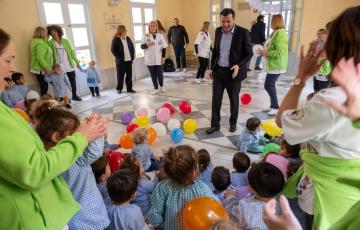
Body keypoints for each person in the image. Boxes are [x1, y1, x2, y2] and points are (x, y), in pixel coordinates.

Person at [0, 27, 108, 230]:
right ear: (57, 136)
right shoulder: (71, 157)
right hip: (41, 219)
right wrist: (85, 136)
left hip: (57, 216)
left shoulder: (11, 116)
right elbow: (34, 170)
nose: (12, 68)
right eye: (7, 60)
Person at [276, 6, 360, 229]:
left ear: (338, 48)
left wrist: (300, 79)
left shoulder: (331, 102)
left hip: (329, 199)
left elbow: (281, 121)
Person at [34, 101, 110, 229]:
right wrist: (96, 127)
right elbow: (95, 151)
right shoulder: (74, 158)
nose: (81, 135)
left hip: (71, 221)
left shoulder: (44, 160)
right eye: (76, 133)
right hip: (91, 218)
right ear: (56, 137)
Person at [147, 145, 218, 230]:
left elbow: (154, 217)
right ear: (194, 172)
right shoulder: (202, 188)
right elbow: (217, 207)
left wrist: (164, 225)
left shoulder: (162, 187)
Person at [207, 8, 253, 134]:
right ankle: (215, 125)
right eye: (223, 21)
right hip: (218, 72)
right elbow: (215, 51)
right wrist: (211, 67)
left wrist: (239, 65)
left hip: (233, 73)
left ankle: (233, 123)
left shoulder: (243, 32)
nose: (225, 24)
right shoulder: (218, 31)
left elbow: (249, 53)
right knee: (216, 99)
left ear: (233, 19)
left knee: (234, 100)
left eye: (228, 21)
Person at [230, 162, 285, 229]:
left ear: (254, 189)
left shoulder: (244, 205)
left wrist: (230, 197)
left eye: (249, 183)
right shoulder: (282, 205)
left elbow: (233, 222)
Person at [258, 14, 289, 116]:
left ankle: (275, 107)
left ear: (276, 21)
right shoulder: (274, 33)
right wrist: (264, 50)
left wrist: (266, 53)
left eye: (272, 20)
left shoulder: (281, 33)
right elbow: (270, 46)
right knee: (269, 85)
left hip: (277, 64)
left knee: (269, 85)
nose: (270, 22)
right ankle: (272, 105)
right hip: (272, 64)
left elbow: (279, 53)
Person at [47, 25, 82, 101]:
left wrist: (76, 62)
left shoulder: (65, 41)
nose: (53, 33)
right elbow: (49, 55)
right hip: (59, 67)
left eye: (54, 31)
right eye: (51, 32)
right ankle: (65, 99)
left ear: (58, 31)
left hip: (69, 64)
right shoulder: (50, 43)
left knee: (73, 81)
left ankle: (74, 95)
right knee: (62, 84)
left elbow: (71, 52)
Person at [141, 20, 168, 94]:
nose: (152, 27)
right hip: (149, 59)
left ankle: (162, 86)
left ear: (156, 27)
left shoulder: (160, 35)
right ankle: (155, 88)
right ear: (149, 27)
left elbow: (164, 47)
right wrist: (147, 44)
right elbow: (141, 46)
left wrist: (163, 57)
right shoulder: (146, 36)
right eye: (151, 26)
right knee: (153, 74)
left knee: (160, 73)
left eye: (154, 26)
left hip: (159, 58)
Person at [111, 25, 136, 94]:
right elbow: (113, 50)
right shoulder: (116, 39)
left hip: (129, 60)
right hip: (121, 62)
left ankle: (129, 88)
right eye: (125, 30)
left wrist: (132, 57)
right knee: (120, 75)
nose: (126, 31)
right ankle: (119, 88)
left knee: (129, 75)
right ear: (121, 31)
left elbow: (132, 47)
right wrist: (119, 58)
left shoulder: (127, 38)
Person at [30, 26, 53, 96]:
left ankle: (45, 103)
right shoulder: (40, 43)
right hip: (40, 69)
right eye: (46, 32)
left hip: (39, 68)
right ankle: (44, 104)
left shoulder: (37, 41)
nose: (47, 34)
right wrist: (46, 68)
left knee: (44, 87)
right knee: (44, 87)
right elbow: (40, 57)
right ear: (42, 33)